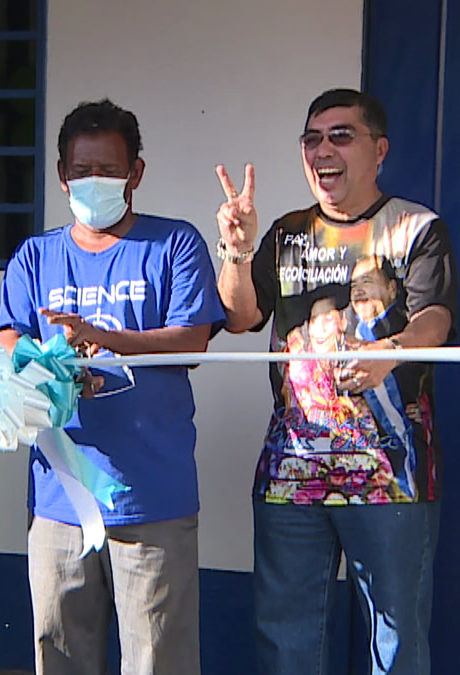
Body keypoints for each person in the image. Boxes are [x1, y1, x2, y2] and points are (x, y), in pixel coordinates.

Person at [215, 88, 457, 674]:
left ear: (380, 150)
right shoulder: (286, 232)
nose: (323, 150)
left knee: (396, 644)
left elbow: (435, 318)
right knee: (287, 638)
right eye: (312, 139)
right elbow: (240, 316)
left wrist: (389, 353)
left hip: (389, 475)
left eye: (341, 135)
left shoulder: (416, 228)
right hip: (290, 474)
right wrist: (238, 253)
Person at [0, 99, 224, 674]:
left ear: (136, 174)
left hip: (150, 497)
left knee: (156, 659)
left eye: (108, 170)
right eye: (80, 171)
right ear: (61, 176)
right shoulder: (35, 256)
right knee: (59, 651)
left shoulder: (174, 245)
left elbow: (192, 340)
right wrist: (41, 361)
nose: (93, 182)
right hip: (59, 498)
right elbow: (8, 338)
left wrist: (105, 338)